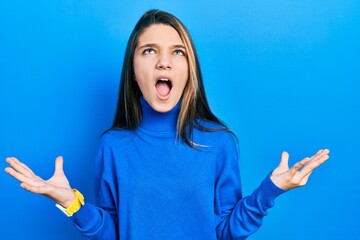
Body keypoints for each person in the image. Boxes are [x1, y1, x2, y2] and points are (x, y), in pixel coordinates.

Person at [4, 9, 330, 240]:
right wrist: (71, 202)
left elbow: (226, 232)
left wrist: (269, 191)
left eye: (177, 52)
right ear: (133, 70)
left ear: (189, 69)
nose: (164, 61)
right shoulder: (113, 146)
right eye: (149, 51)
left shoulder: (218, 144)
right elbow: (112, 232)